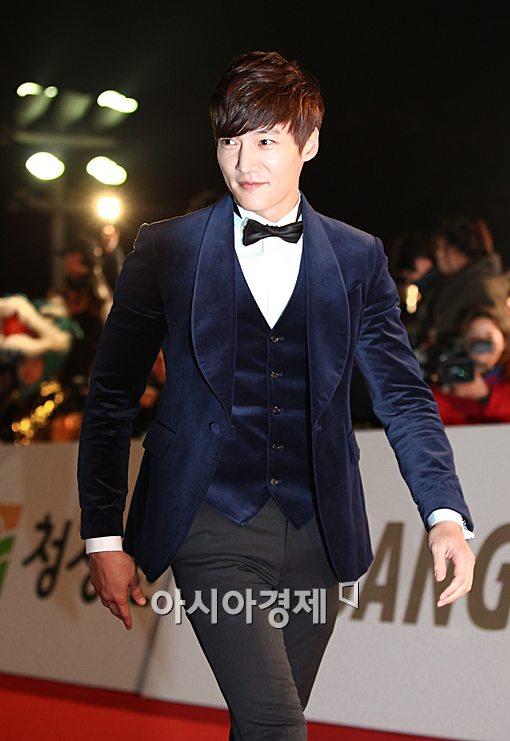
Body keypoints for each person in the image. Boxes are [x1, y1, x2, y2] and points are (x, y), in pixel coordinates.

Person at [78, 51, 475, 740]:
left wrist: (445, 513)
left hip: (319, 530)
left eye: (265, 140)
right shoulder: (165, 251)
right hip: (208, 520)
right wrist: (103, 534)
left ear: (308, 143)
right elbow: (111, 396)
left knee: (263, 724)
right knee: (277, 726)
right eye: (229, 141)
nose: (244, 162)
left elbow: (403, 396)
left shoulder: (357, 257)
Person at [431, 307, 510, 425]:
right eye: (474, 337)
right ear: (464, 342)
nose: (481, 343)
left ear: (504, 341)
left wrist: (486, 396)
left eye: (489, 337)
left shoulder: (506, 381)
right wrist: (449, 393)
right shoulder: (450, 376)